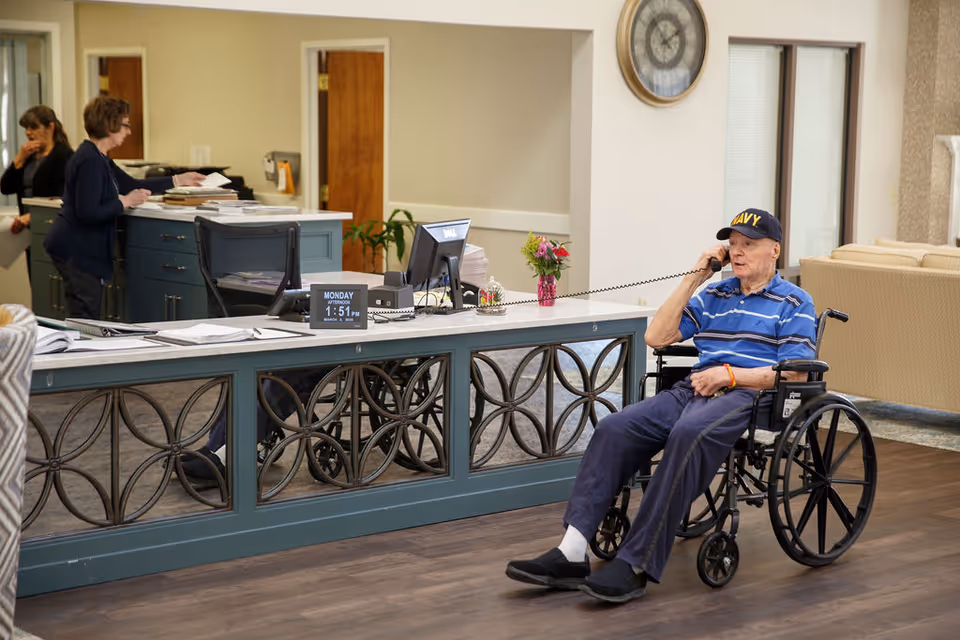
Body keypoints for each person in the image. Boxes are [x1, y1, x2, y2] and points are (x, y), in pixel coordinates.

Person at [505, 208, 817, 604]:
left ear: (774, 250)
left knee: (688, 433)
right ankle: (571, 550)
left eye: (748, 245)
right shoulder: (715, 294)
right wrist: (696, 274)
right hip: (694, 389)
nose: (737, 253)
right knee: (614, 428)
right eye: (733, 244)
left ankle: (635, 563)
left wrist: (730, 375)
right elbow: (657, 335)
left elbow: (795, 374)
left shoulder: (794, 301)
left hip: (749, 397)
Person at [43, 96, 205, 319]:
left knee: (86, 312)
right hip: (77, 249)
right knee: (85, 315)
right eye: (125, 125)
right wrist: (125, 202)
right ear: (109, 125)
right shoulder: (90, 161)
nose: (128, 132)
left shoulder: (99, 157)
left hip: (79, 247)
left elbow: (131, 184)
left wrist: (178, 180)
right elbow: (88, 212)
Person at [0, 105, 74, 276]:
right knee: (36, 280)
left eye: (33, 127)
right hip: (28, 231)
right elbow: (5, 188)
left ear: (50, 127)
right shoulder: (29, 157)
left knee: (52, 283)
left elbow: (64, 197)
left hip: (53, 228)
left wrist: (32, 216)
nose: (28, 133)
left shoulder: (65, 156)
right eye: (26, 128)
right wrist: (18, 160)